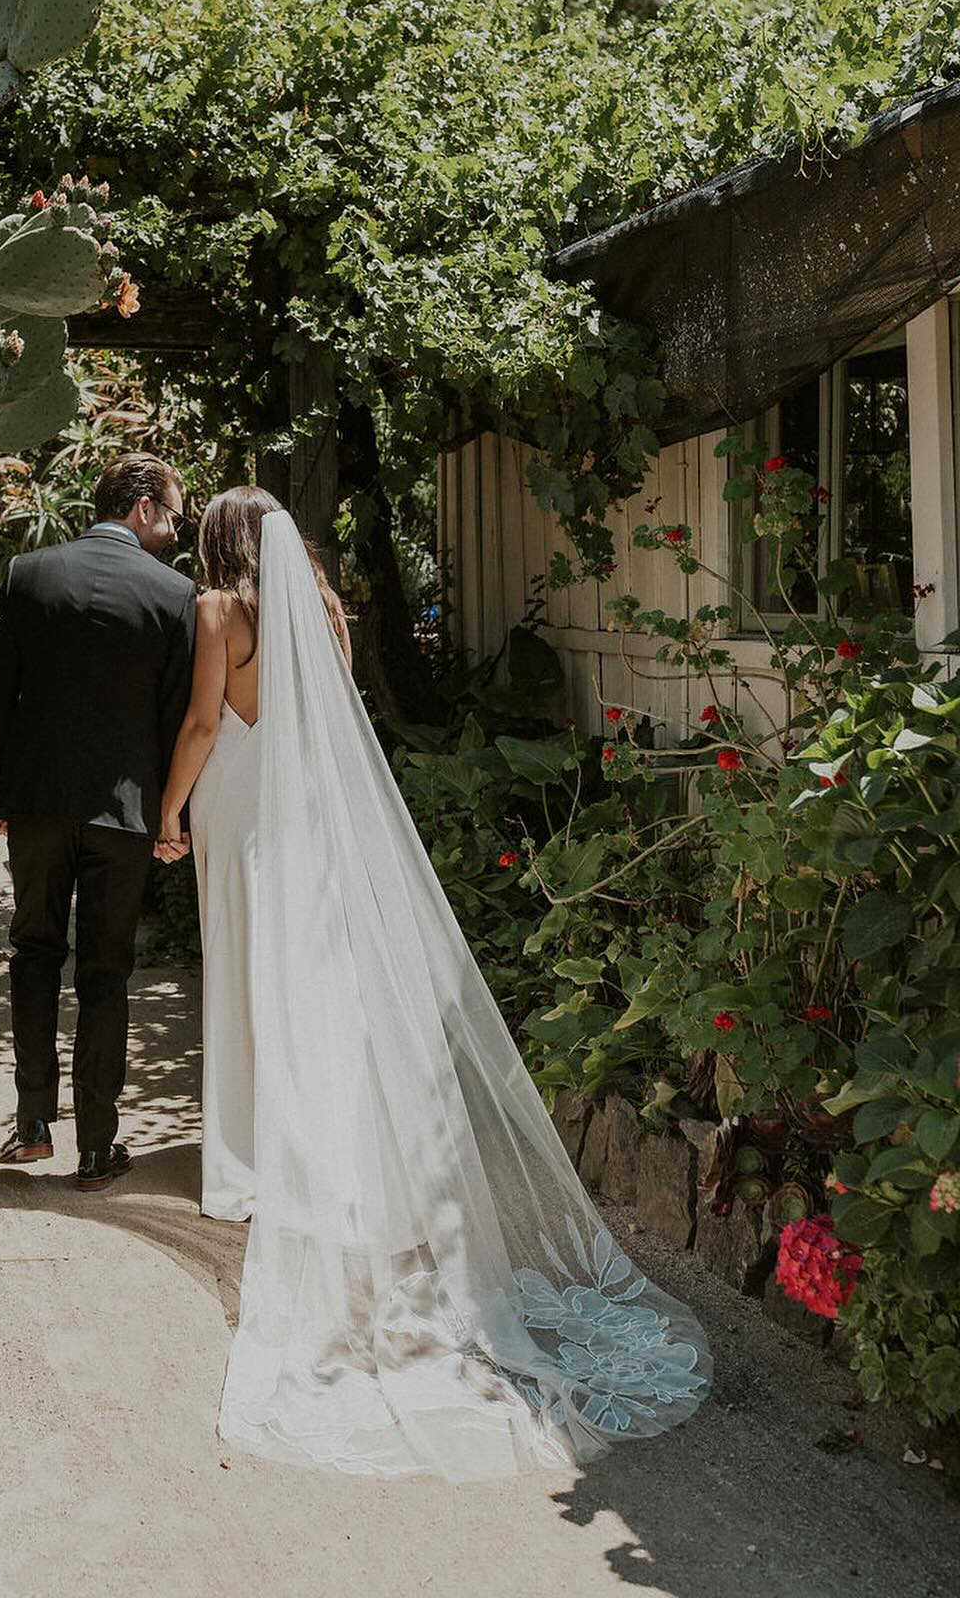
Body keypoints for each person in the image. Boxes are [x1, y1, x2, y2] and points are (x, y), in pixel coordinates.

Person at [155, 486, 711, 1482]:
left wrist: (168, 811)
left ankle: (263, 1159)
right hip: (307, 819)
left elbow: (203, 723)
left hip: (238, 810)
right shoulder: (320, 611)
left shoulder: (216, 612)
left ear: (215, 543)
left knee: (247, 977)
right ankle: (336, 1155)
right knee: (315, 984)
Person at [0, 453, 195, 1190]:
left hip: (39, 803)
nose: (174, 530)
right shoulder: (174, 596)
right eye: (171, 515)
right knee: (106, 974)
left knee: (34, 952)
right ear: (140, 509)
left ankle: (34, 1121)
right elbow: (176, 718)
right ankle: (97, 1147)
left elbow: (0, 694)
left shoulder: (27, 575)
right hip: (126, 816)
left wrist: (3, 797)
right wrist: (173, 815)